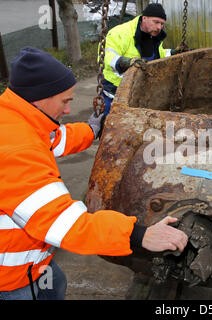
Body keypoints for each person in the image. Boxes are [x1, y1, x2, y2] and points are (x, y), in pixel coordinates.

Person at [0, 47, 188, 300]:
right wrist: (140, 235)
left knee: (55, 283)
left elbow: (54, 138)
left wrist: (91, 130)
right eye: (65, 101)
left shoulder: (14, 118)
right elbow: (67, 225)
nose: (68, 110)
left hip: (35, 263)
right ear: (39, 98)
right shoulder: (17, 153)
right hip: (11, 279)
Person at [101, 3, 179, 115]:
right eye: (156, 22)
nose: (159, 27)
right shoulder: (121, 33)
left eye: (162, 24)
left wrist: (174, 53)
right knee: (108, 127)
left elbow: (159, 55)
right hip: (115, 93)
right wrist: (125, 62)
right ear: (144, 18)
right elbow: (106, 55)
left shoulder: (153, 36)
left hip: (140, 93)